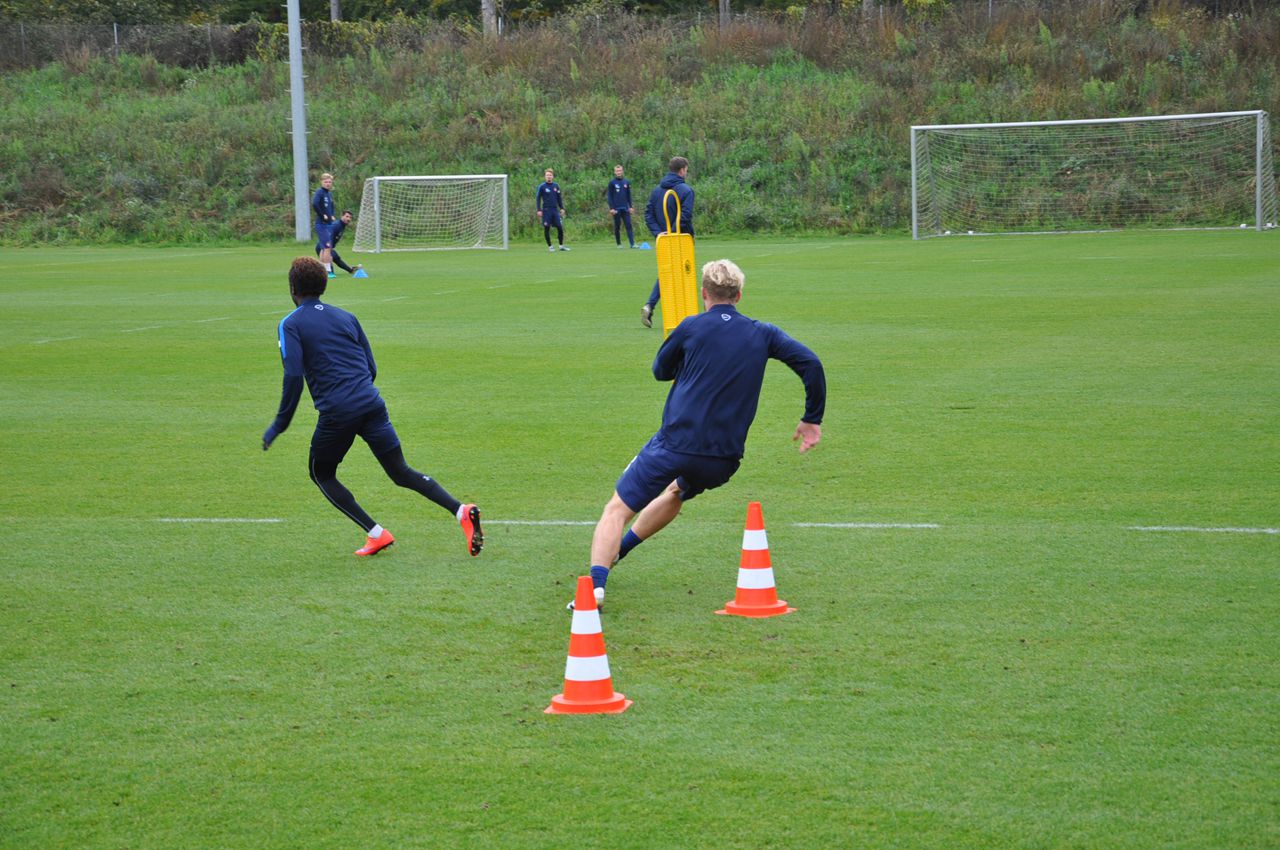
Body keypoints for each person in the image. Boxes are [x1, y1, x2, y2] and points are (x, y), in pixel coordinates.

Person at [573, 258, 825, 610]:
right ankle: (620, 552)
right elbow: (811, 363)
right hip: (723, 459)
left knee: (616, 509)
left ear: (704, 293)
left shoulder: (690, 327)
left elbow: (661, 371)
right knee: (676, 491)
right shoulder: (763, 333)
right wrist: (812, 418)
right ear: (739, 295)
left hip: (674, 445)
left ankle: (595, 588)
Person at [262, 256, 484, 559]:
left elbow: (293, 375)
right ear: (324, 285)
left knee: (322, 474)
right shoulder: (347, 317)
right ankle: (461, 511)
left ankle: (376, 534)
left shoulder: (290, 324)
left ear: (292, 288)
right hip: (372, 402)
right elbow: (371, 366)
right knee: (400, 471)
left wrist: (279, 424)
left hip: (338, 413)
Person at [640, 156, 695, 328]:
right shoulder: (686, 190)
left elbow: (648, 214)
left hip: (663, 240)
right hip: (681, 239)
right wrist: (674, 232)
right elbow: (685, 216)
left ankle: (650, 306)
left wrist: (659, 233)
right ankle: (683, 314)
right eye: (686, 170)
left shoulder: (657, 191)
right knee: (683, 275)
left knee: (667, 273)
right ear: (682, 170)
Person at [316, 210, 363, 277]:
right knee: (330, 257)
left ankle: (350, 270)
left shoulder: (342, 225)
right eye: (347, 216)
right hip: (322, 245)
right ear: (342, 216)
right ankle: (329, 273)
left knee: (336, 258)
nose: (348, 219)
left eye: (350, 217)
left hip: (326, 245)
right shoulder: (337, 225)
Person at [535, 168, 569, 252]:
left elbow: (559, 198)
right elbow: (538, 198)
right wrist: (539, 209)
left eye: (550, 175)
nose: (549, 177)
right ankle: (550, 247)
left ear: (552, 176)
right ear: (545, 177)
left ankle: (561, 246)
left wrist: (561, 208)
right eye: (547, 175)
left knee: (559, 227)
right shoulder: (542, 186)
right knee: (547, 228)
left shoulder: (556, 186)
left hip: (554, 210)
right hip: (546, 210)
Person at [311, 172, 338, 278]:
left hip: (328, 224)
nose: (328, 184)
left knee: (324, 248)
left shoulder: (328, 194)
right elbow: (315, 204)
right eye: (326, 182)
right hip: (322, 224)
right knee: (327, 248)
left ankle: (322, 271)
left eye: (330, 182)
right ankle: (328, 271)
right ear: (321, 182)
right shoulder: (320, 192)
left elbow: (331, 206)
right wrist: (323, 216)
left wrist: (332, 215)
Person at [605, 164, 636, 249]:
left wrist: (631, 206)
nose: (619, 172)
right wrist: (611, 208)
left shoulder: (626, 182)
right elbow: (610, 196)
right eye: (617, 171)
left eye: (620, 171)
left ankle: (632, 244)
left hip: (625, 208)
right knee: (617, 226)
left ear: (622, 171)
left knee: (629, 225)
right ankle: (619, 244)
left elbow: (629, 195)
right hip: (616, 209)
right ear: (615, 172)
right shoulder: (612, 183)